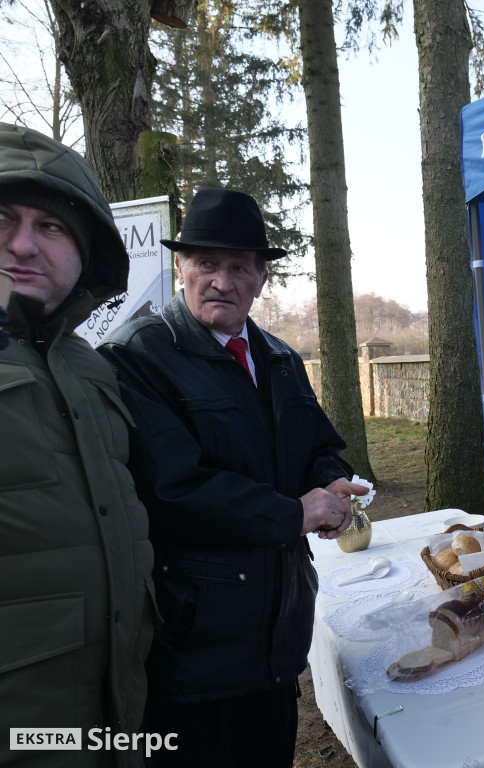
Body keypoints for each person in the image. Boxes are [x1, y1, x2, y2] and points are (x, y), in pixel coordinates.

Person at [99, 187, 366, 767]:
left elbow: (319, 445)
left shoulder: (279, 357)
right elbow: (172, 490)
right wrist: (295, 513)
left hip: (276, 630)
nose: (221, 280)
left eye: (239, 266)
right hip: (194, 644)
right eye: (206, 264)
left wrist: (332, 480)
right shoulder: (136, 359)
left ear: (260, 280)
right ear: (180, 268)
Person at [0, 123, 154, 765]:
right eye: (2, 218)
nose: (22, 244)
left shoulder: (91, 369)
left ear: (84, 252)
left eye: (52, 226)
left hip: (108, 722)